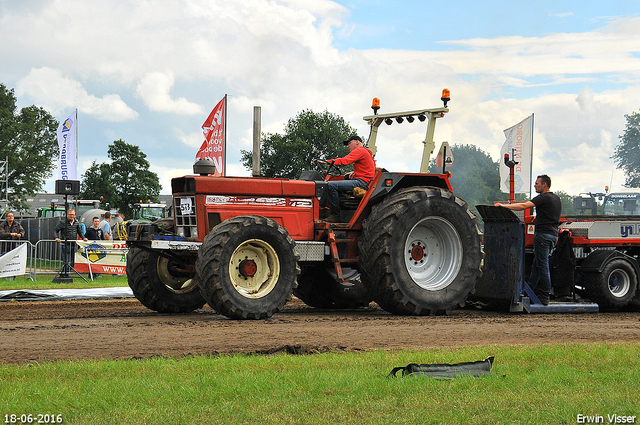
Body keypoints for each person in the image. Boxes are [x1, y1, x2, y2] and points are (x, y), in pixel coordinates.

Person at [497, 174, 562, 305]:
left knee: (542, 265)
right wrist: (537, 219)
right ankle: (530, 290)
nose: (535, 185)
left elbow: (523, 206)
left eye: (537, 183)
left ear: (545, 184)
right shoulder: (556, 198)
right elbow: (550, 215)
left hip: (543, 235)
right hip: (553, 235)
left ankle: (545, 294)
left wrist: (503, 206)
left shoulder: (542, 198)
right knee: (537, 264)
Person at [317, 135, 376, 222]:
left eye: (349, 143)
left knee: (329, 185)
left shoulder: (359, 151)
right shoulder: (367, 153)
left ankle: (328, 213)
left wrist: (325, 162)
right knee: (331, 184)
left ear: (357, 142)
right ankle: (325, 209)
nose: (348, 146)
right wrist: (352, 174)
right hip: (362, 181)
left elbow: (343, 161)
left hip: (361, 183)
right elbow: (368, 170)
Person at [54, 209, 88, 275]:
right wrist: (56, 238)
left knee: (74, 260)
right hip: (65, 244)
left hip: (73, 244)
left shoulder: (76, 223)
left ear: (75, 215)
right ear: (67, 215)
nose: (71, 216)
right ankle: (65, 274)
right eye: (70, 214)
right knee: (66, 261)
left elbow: (80, 232)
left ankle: (65, 272)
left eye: (73, 214)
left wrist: (84, 238)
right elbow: (55, 230)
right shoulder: (63, 223)